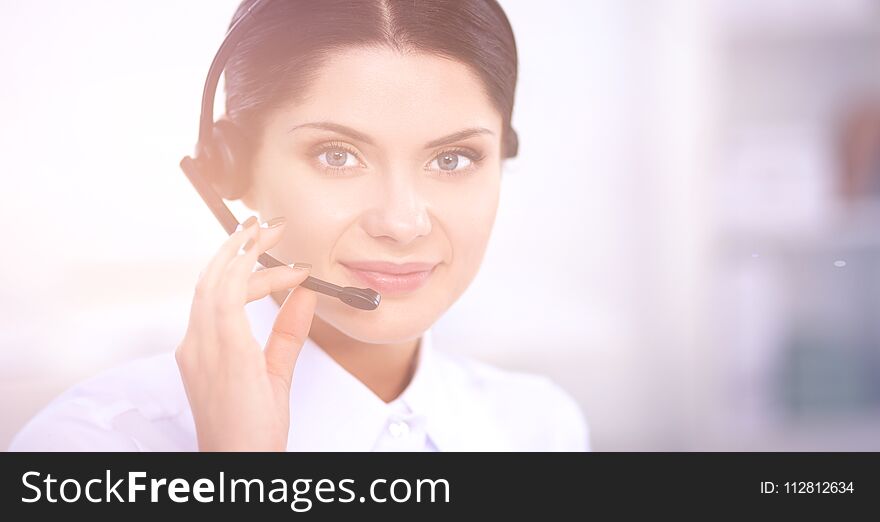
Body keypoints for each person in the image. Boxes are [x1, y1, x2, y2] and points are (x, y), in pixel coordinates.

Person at [9, 0, 589, 452]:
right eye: (337, 155)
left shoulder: (541, 428)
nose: (402, 223)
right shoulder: (90, 449)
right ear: (233, 167)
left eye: (453, 159)